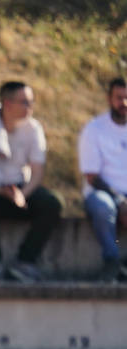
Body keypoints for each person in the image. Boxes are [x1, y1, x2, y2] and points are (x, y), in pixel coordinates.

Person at [0, 80, 63, 282]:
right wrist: (2, 192)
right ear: (7, 104)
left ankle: (25, 262)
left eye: (31, 102)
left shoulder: (34, 128)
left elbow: (38, 173)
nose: (29, 107)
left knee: (53, 202)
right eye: (24, 102)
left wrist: (21, 195)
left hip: (21, 188)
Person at [78, 77, 127, 282]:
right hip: (103, 193)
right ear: (109, 99)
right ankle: (112, 261)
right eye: (119, 98)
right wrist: (120, 200)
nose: (124, 103)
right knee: (103, 207)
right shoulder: (94, 129)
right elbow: (92, 177)